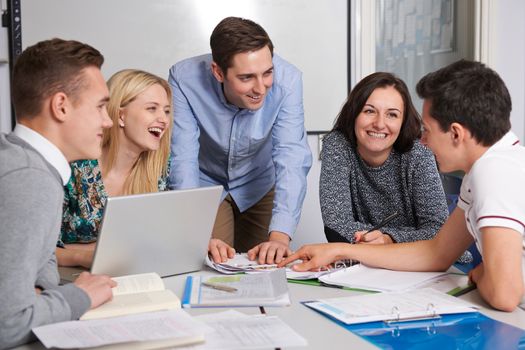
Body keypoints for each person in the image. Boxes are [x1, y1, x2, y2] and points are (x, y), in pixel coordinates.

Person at [279, 60, 525, 312]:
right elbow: (437, 253)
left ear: (455, 134)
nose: (424, 141)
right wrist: (337, 250)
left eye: (427, 131)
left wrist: (479, 275)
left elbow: (504, 295)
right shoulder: (488, 168)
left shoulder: (494, 171)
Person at [0, 38, 116, 348]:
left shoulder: (21, 160)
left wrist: (42, 292)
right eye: (101, 106)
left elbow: (39, 267)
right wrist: (80, 296)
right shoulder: (29, 179)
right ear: (61, 106)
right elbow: (7, 325)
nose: (107, 121)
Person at [169, 17, 312, 264]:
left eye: (267, 73)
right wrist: (192, 232)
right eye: (246, 78)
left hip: (260, 182)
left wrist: (280, 237)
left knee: (266, 263)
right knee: (208, 262)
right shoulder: (184, 80)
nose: (261, 88)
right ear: (218, 72)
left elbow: (291, 155)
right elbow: (182, 158)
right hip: (207, 183)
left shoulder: (288, 80)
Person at [57, 69, 172, 268]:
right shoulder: (73, 167)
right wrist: (82, 256)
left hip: (131, 275)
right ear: (120, 116)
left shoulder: (159, 168)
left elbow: (159, 240)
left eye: (167, 111)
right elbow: (37, 249)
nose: (164, 119)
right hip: (68, 280)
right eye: (152, 108)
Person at [321, 72, 449, 245]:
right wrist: (408, 234)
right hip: (361, 264)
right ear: (354, 114)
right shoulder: (338, 145)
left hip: (415, 263)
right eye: (369, 111)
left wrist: (389, 239)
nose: (380, 124)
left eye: (392, 115)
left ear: (403, 121)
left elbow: (439, 232)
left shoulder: (419, 153)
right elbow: (335, 226)